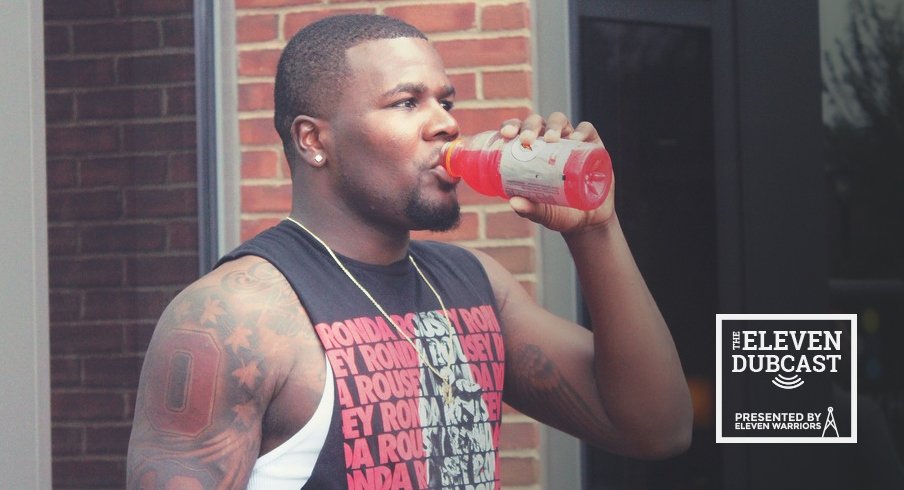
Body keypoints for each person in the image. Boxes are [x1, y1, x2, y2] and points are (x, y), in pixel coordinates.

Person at [126, 14, 692, 489]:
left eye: (445, 101)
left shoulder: (474, 284)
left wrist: (594, 231)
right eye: (406, 103)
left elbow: (656, 429)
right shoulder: (233, 316)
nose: (445, 123)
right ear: (313, 140)